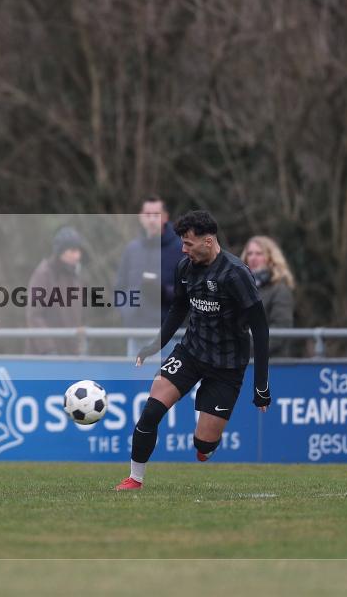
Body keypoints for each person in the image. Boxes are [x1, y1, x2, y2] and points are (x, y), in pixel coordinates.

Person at [115, 210, 270, 491]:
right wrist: (155, 345)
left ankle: (207, 444)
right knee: (150, 412)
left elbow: (260, 329)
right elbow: (179, 308)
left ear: (208, 241)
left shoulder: (236, 274)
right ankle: (134, 479)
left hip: (227, 366)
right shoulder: (185, 268)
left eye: (188, 244)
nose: (183, 250)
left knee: (202, 445)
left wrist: (261, 385)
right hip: (191, 353)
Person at [115, 197, 183, 356]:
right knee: (136, 380)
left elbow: (190, 290)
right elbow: (119, 289)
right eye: (148, 214)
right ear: (140, 217)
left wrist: (163, 292)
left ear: (165, 217)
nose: (152, 219)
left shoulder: (180, 249)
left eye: (156, 214)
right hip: (137, 335)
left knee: (170, 380)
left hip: (170, 335)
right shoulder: (131, 249)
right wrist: (128, 312)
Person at [25, 226, 86, 355]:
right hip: (44, 356)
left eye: (79, 250)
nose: (78, 255)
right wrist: (49, 349)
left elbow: (76, 316)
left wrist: (79, 345)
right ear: (61, 252)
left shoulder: (75, 276)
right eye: (73, 250)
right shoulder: (43, 274)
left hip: (70, 353)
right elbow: (35, 316)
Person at [241, 236, 295, 357]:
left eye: (259, 254)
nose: (253, 258)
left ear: (271, 258)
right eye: (250, 253)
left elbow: (280, 331)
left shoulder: (280, 289)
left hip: (270, 364)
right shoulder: (240, 287)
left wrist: (241, 347)